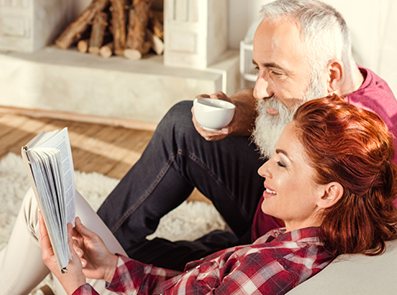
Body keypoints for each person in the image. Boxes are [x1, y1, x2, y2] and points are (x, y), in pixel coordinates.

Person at [95, 0, 397, 271]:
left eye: (276, 72)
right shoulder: (335, 79)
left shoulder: (363, 146)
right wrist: (236, 109)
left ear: (331, 75)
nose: (259, 89)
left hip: (272, 246)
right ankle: (102, 240)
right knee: (182, 124)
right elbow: (261, 98)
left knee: (134, 265)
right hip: (272, 206)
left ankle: (98, 252)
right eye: (258, 69)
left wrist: (233, 264)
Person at [39, 95, 397, 295]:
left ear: (328, 193)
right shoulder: (302, 245)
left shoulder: (269, 268)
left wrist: (75, 285)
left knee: (36, 205)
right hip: (130, 286)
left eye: (282, 164)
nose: (262, 170)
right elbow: (191, 288)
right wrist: (113, 268)